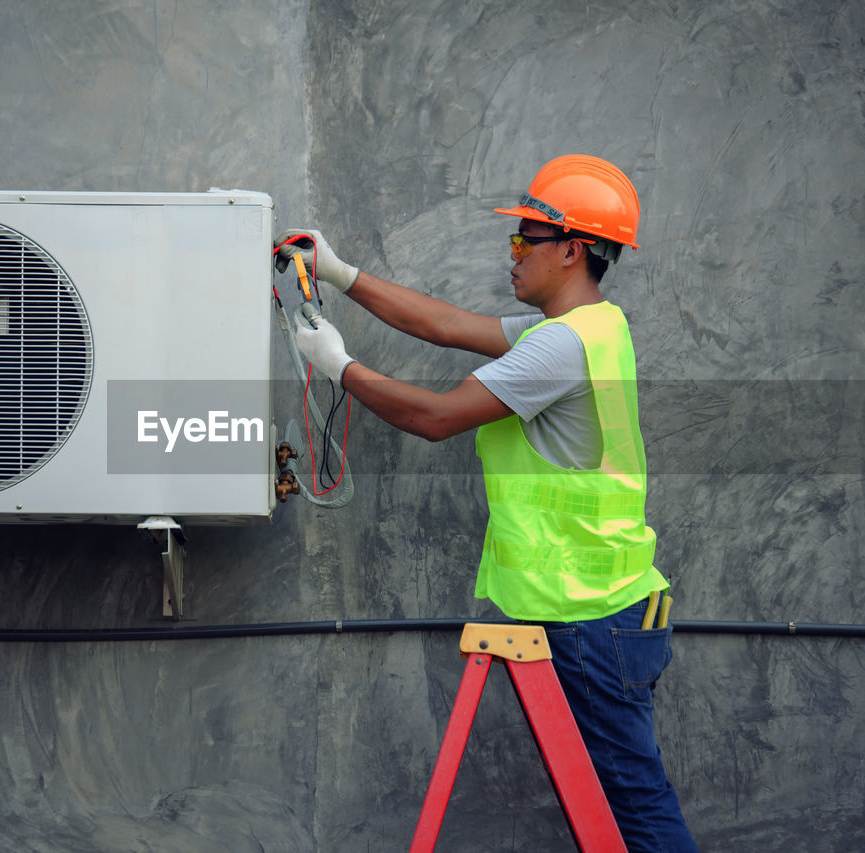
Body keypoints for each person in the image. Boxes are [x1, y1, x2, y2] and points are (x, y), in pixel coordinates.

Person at [275, 155, 697, 852]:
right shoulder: (594, 327)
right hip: (612, 603)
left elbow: (438, 417)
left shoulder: (558, 348)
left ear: (572, 249)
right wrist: (340, 272)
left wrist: (340, 367)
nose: (512, 252)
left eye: (524, 239)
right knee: (627, 800)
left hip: (588, 611)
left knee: (637, 808)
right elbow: (443, 323)